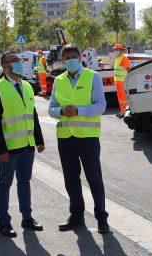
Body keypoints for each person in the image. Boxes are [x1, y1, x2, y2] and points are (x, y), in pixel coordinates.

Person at [49, 44, 110, 234]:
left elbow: (101, 106)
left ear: (80, 57)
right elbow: (51, 108)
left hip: (87, 138)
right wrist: (60, 111)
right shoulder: (58, 80)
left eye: (74, 56)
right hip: (66, 138)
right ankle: (76, 216)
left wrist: (79, 111)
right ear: (63, 60)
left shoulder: (93, 77)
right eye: (67, 58)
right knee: (71, 179)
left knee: (94, 179)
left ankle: (101, 218)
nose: (71, 60)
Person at [0, 51, 45, 237]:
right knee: (4, 184)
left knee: (24, 182)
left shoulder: (26, 86)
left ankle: (27, 218)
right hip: (8, 150)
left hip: (27, 146)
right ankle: (4, 222)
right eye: (14, 61)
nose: (19, 63)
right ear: (5, 66)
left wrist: (39, 139)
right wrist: (0, 149)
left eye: (19, 60)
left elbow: (32, 114)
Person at [113, 43, 130, 118]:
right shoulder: (118, 58)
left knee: (124, 98)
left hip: (123, 81)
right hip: (118, 81)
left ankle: (126, 112)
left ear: (121, 50)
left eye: (117, 49)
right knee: (120, 98)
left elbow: (128, 70)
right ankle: (122, 111)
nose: (115, 51)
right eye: (115, 49)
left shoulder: (124, 58)